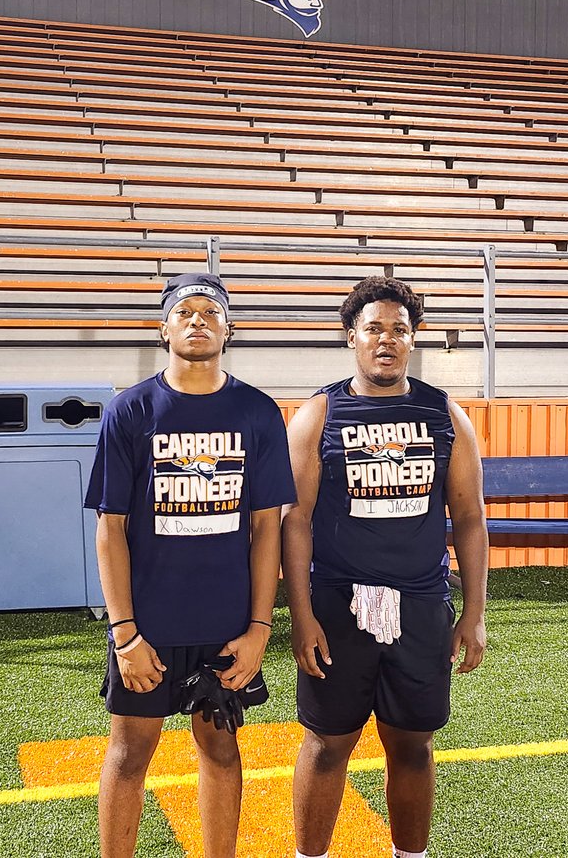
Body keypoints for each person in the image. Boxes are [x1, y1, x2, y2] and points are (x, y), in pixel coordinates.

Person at [85, 272, 296, 858]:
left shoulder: (257, 412)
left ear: (229, 329)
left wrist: (259, 629)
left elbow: (266, 530)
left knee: (221, 749)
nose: (197, 320)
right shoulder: (130, 411)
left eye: (210, 312)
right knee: (130, 754)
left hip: (226, 626)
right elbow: (110, 529)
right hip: (149, 625)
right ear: (164, 329)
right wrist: (124, 633)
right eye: (184, 312)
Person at [281, 275, 489, 858]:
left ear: (413, 339)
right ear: (352, 336)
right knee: (327, 744)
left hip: (421, 607)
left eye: (400, 329)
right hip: (338, 608)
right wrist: (301, 615)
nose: (387, 339)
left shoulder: (444, 413)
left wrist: (474, 614)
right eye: (374, 328)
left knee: (414, 746)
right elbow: (294, 521)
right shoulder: (319, 414)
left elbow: (470, 518)